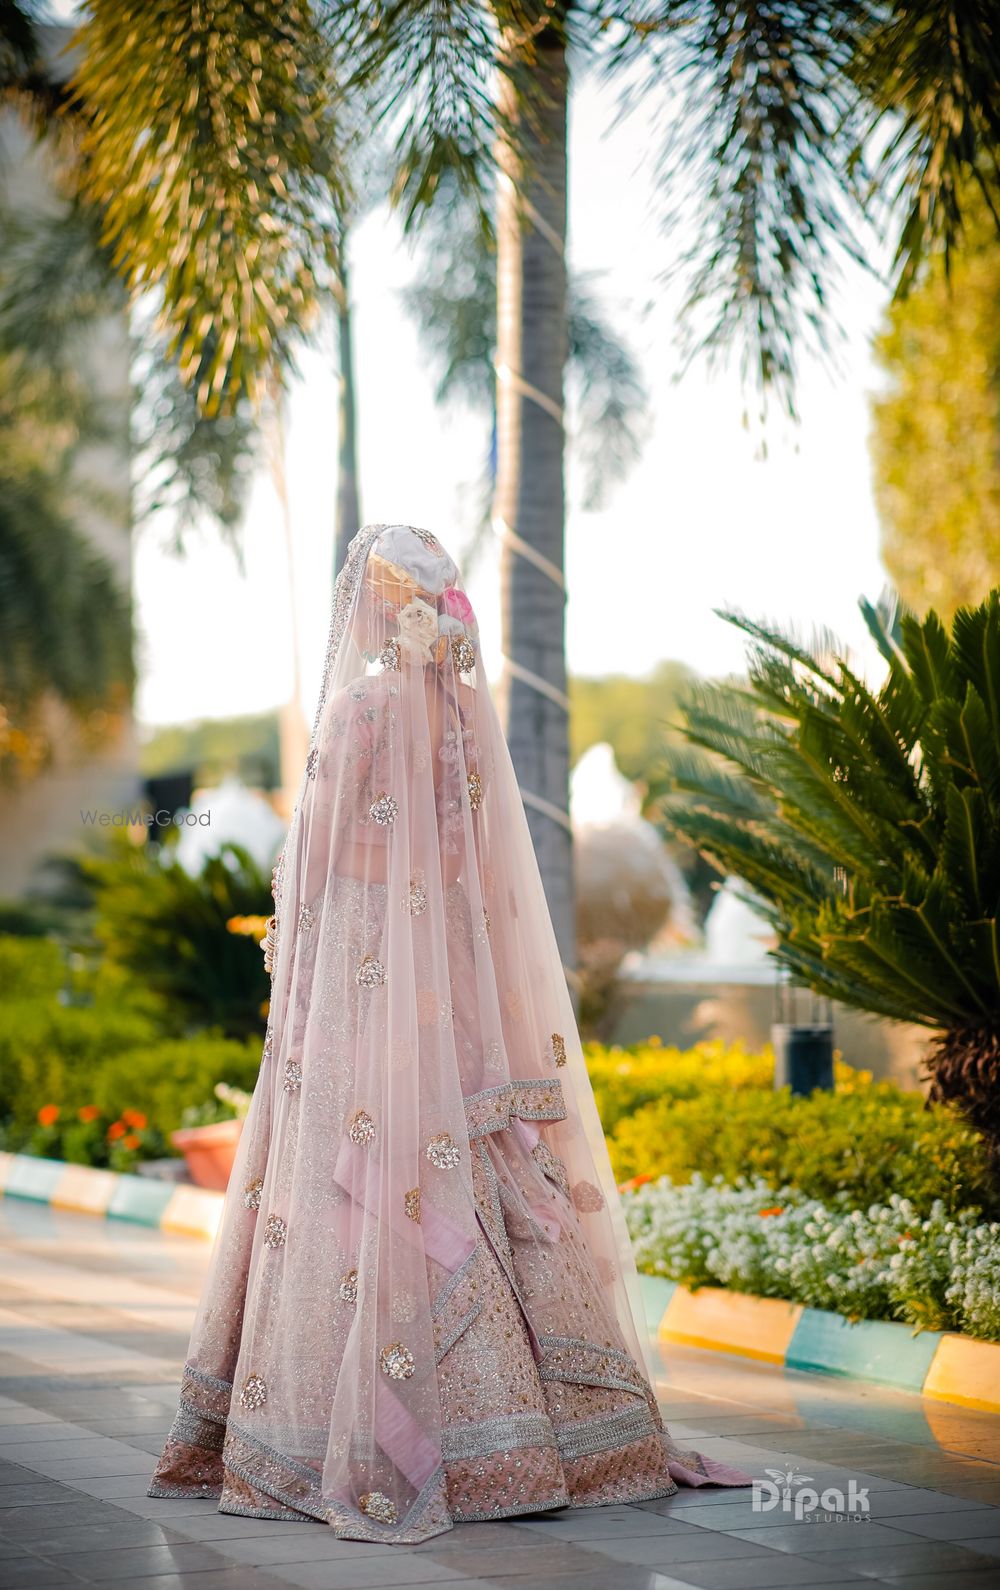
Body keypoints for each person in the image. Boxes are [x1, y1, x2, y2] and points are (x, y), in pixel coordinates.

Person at [148, 523, 750, 1542]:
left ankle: (346, 1437)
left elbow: (317, 850)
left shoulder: (364, 703)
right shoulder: (459, 710)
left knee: (345, 1170)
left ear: (377, 607)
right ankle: (524, 1435)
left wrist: (294, 960)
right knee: (455, 1158)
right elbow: (476, 861)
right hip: (442, 975)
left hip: (359, 965)